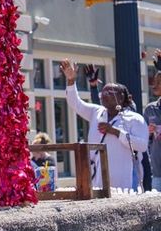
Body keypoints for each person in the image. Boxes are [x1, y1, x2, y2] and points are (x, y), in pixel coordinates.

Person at [60, 59, 149, 190]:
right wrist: (71, 81)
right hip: (98, 180)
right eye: (104, 92)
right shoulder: (97, 112)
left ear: (122, 96)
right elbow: (76, 104)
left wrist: (116, 132)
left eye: (110, 92)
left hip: (125, 182)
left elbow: (142, 146)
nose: (104, 95)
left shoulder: (135, 119)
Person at [144, 71, 161, 191]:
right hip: (157, 172)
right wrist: (148, 132)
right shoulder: (150, 109)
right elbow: (144, 139)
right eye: (154, 82)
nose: (154, 86)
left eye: (159, 82)